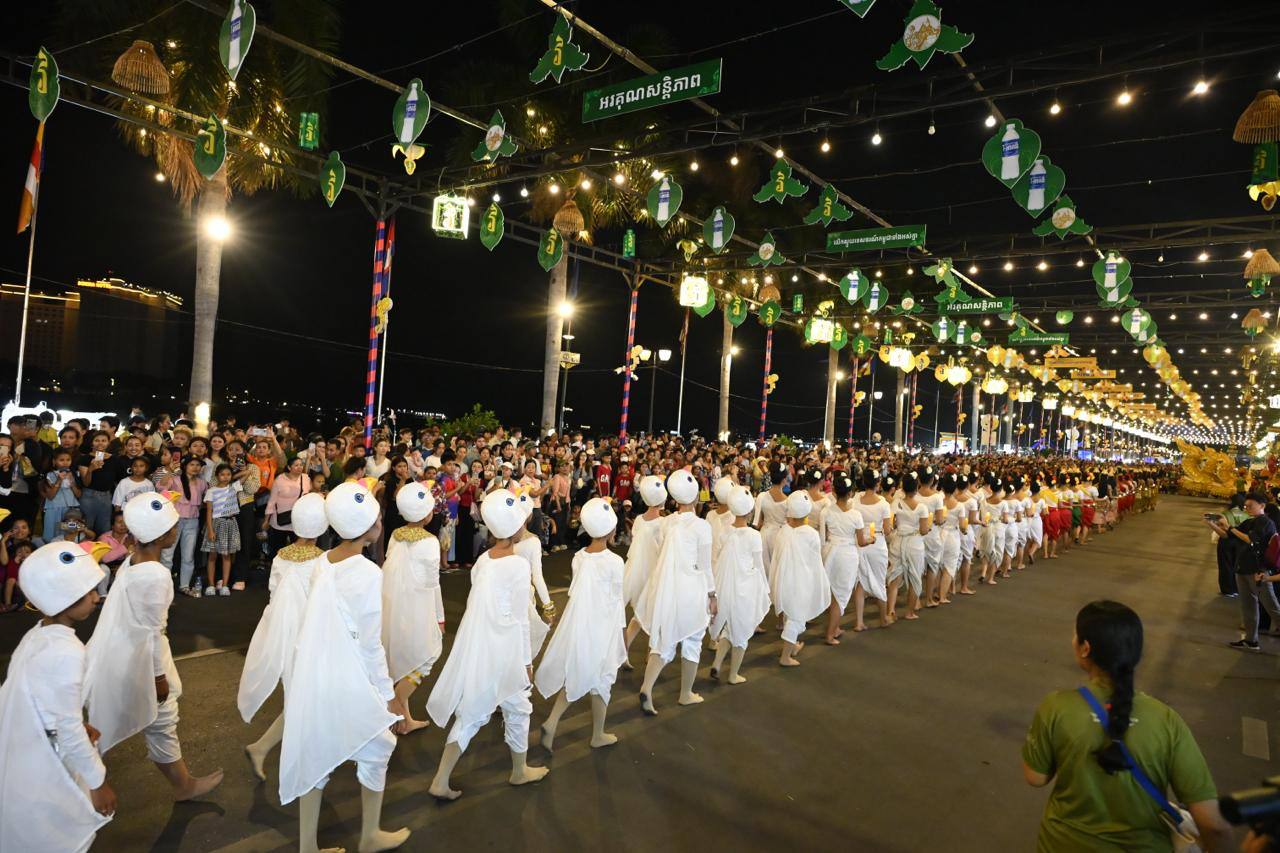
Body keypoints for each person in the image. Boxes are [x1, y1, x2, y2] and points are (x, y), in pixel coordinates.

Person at [1020, 601, 1234, 852]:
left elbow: (1036, 777)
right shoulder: (1165, 720)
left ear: (1085, 648)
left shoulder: (1056, 706)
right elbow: (1214, 825)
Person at [278, 480, 409, 853]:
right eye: (377, 518)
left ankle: (310, 845)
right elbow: (369, 643)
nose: (380, 522)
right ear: (368, 527)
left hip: (318, 671)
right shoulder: (367, 573)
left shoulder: (323, 561)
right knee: (379, 745)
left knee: (318, 753)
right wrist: (388, 695)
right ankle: (369, 836)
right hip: (348, 675)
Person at [84, 491, 224, 801]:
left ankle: (182, 784)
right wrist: (158, 677)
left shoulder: (134, 560)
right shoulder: (156, 575)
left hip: (129, 651)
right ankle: (181, 786)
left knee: (155, 721)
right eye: (173, 526)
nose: (177, 530)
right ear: (161, 536)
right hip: (142, 659)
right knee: (161, 717)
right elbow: (152, 632)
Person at [427, 489, 548, 799]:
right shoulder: (518, 565)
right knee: (518, 707)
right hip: (506, 649)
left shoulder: (482, 561)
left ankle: (442, 778)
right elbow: (520, 618)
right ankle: (519, 771)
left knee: (472, 712)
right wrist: (526, 660)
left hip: (482, 647)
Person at [0, 540, 116, 851]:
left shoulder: (38, 633)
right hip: (52, 758)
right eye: (88, 592)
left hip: (29, 747)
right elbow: (67, 729)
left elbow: (33, 694)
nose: (96, 598)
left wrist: (74, 721)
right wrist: (98, 783)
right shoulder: (68, 650)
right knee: (64, 834)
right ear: (64, 596)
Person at [237, 493, 328, 783]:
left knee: (301, 699)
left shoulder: (279, 557)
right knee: (306, 700)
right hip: (309, 636)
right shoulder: (323, 562)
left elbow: (274, 594)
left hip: (284, 632)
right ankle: (303, 768)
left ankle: (263, 748)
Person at [536, 497, 626, 751]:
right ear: (610, 530)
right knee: (602, 677)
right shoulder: (614, 561)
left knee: (582, 673)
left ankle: (554, 721)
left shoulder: (579, 557)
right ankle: (597, 734)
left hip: (582, 624)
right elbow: (617, 600)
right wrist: (621, 634)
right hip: (604, 626)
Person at [636, 470, 715, 715]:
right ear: (696, 496)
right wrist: (712, 595)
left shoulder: (667, 522)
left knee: (664, 638)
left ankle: (647, 686)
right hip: (692, 588)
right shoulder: (702, 526)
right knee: (692, 640)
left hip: (667, 587)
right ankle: (686, 693)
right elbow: (705, 565)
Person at [381, 484, 443, 735]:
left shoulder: (396, 535)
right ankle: (392, 707)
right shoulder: (430, 541)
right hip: (417, 606)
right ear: (427, 513)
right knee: (426, 658)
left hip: (391, 604)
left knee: (400, 658)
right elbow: (432, 583)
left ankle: (404, 721)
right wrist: (439, 617)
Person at [707, 487, 771, 684]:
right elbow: (758, 565)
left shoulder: (725, 531)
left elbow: (718, 558)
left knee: (728, 628)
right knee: (742, 631)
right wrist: (765, 589)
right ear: (750, 511)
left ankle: (717, 663)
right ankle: (733, 674)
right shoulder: (753, 536)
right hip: (745, 587)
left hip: (725, 585)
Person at [1207, 491, 1280, 651]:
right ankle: (1251, 640)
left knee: (1271, 606)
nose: (1247, 508)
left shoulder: (1265, 522)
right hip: (1243, 568)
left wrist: (1230, 527)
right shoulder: (1249, 522)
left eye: (1250, 506)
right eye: (1245, 506)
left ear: (1262, 506)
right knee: (1248, 606)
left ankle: (1252, 639)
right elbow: (1227, 536)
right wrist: (1213, 524)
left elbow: (1251, 540)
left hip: (1258, 571)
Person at [769, 490, 832, 666]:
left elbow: (777, 557)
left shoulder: (783, 531)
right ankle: (785, 657)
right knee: (797, 617)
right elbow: (815, 559)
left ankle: (793, 646)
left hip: (784, 578)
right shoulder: (811, 534)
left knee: (791, 613)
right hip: (801, 580)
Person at [622, 475, 667, 662]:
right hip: (654, 572)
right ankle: (650, 655)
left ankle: (623, 651)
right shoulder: (663, 523)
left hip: (638, 570)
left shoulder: (639, 519)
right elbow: (663, 548)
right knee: (653, 614)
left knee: (640, 614)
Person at [822, 473, 871, 641]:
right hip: (847, 554)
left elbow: (823, 537)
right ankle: (830, 634)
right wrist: (871, 540)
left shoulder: (826, 512)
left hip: (830, 551)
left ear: (834, 492)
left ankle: (835, 628)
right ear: (850, 493)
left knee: (833, 592)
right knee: (841, 595)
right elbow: (861, 542)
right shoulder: (855, 515)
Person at [203, 463, 243, 597]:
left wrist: (235, 475)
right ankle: (210, 585)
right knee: (212, 555)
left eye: (228, 474)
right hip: (216, 524)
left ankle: (225, 585)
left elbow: (247, 473)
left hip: (230, 523)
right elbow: (209, 511)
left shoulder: (233, 487)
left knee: (227, 556)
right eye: (222, 474)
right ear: (217, 476)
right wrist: (210, 530)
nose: (225, 477)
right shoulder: (211, 491)